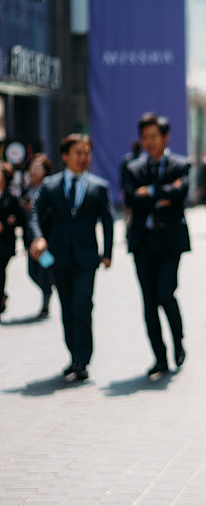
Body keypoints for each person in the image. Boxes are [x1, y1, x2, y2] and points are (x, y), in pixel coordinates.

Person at [29, 135, 114, 381]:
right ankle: (74, 356)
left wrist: (107, 254)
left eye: (87, 153)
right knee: (67, 306)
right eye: (78, 152)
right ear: (65, 156)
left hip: (87, 258)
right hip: (59, 257)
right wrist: (37, 238)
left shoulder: (98, 187)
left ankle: (83, 359)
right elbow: (34, 213)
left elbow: (107, 222)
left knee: (82, 304)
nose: (83, 158)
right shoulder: (50, 185)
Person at [122, 113, 191, 377]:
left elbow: (181, 193)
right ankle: (159, 358)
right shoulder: (132, 168)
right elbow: (130, 198)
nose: (149, 142)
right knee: (149, 301)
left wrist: (148, 192)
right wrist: (163, 194)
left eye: (154, 137)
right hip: (143, 242)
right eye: (145, 137)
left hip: (169, 242)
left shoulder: (180, 164)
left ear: (165, 137)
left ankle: (178, 340)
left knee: (165, 293)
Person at [21, 154, 54, 318]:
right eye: (32, 167)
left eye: (38, 167)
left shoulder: (49, 188)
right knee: (32, 271)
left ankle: (47, 297)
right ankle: (48, 289)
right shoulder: (27, 189)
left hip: (45, 238)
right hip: (30, 238)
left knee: (45, 268)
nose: (34, 171)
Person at [0, 162, 25, 317]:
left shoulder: (12, 198)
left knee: (0, 270)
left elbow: (21, 219)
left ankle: (0, 296)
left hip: (5, 244)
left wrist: (8, 223)